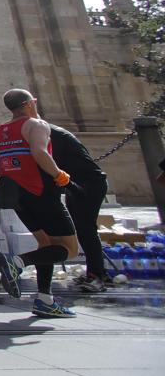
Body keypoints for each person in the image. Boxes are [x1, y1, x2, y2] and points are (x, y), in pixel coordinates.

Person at [0, 89, 81, 318]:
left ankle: (44, 299)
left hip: (17, 197)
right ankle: (17, 262)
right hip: (41, 191)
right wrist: (62, 177)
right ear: (30, 103)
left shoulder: (0, 131)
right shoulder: (36, 125)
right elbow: (40, 153)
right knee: (69, 250)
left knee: (46, 244)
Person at [49, 123, 111, 292]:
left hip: (89, 184)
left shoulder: (51, 135)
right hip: (75, 184)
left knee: (86, 229)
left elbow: (50, 164)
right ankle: (97, 272)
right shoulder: (50, 132)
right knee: (83, 229)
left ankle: (97, 275)